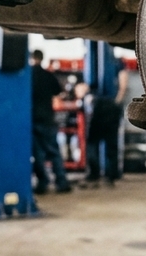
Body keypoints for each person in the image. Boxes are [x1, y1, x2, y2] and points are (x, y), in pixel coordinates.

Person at [80, 43, 129, 186]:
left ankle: (94, 174)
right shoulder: (118, 63)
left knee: (93, 141)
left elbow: (87, 86)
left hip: (101, 105)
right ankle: (111, 175)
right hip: (109, 105)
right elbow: (123, 84)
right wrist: (117, 102)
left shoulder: (94, 60)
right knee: (111, 142)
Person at [29, 50, 71, 193]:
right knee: (54, 151)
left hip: (32, 119)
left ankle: (43, 183)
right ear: (42, 58)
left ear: (31, 58)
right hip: (48, 118)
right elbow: (59, 92)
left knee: (37, 154)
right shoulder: (48, 75)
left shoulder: (27, 75)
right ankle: (62, 182)